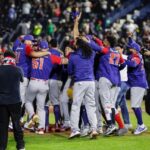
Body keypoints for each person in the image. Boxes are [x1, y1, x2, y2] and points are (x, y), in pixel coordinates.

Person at [0, 50, 25, 150]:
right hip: (15, 101)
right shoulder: (18, 70)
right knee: (16, 125)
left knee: (2, 127)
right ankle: (20, 146)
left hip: (1, 102)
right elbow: (22, 80)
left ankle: (2, 147)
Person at [126, 36, 148, 135]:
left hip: (138, 83)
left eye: (131, 48)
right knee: (136, 105)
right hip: (138, 83)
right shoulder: (136, 54)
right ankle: (141, 125)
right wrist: (130, 38)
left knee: (135, 106)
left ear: (135, 49)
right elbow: (133, 43)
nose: (129, 49)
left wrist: (123, 60)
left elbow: (133, 64)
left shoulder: (136, 56)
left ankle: (141, 125)